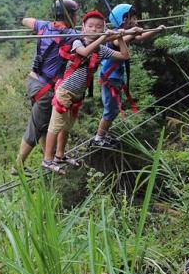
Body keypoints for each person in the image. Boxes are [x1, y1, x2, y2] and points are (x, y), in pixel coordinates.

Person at [42, 10, 130, 175]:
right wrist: (105, 37)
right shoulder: (77, 41)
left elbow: (124, 55)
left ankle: (60, 156)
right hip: (64, 91)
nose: (95, 29)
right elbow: (84, 52)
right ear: (83, 28)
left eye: (99, 27)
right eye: (90, 26)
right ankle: (47, 160)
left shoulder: (102, 50)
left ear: (104, 27)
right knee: (55, 125)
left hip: (77, 94)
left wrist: (119, 38)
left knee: (67, 127)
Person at [13, 0, 79, 173]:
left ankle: (46, 158)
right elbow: (90, 40)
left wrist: (41, 26)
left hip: (33, 81)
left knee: (42, 125)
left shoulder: (43, 26)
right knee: (36, 127)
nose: (78, 16)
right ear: (70, 15)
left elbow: (25, 20)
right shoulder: (72, 35)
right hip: (44, 89)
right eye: (75, 13)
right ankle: (18, 166)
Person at [92, 4, 165, 147]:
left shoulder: (124, 33)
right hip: (110, 78)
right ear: (124, 19)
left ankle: (102, 136)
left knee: (112, 111)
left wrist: (156, 30)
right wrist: (131, 32)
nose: (136, 20)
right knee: (110, 111)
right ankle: (98, 138)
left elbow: (140, 38)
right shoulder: (114, 34)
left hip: (116, 78)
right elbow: (118, 41)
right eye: (133, 17)